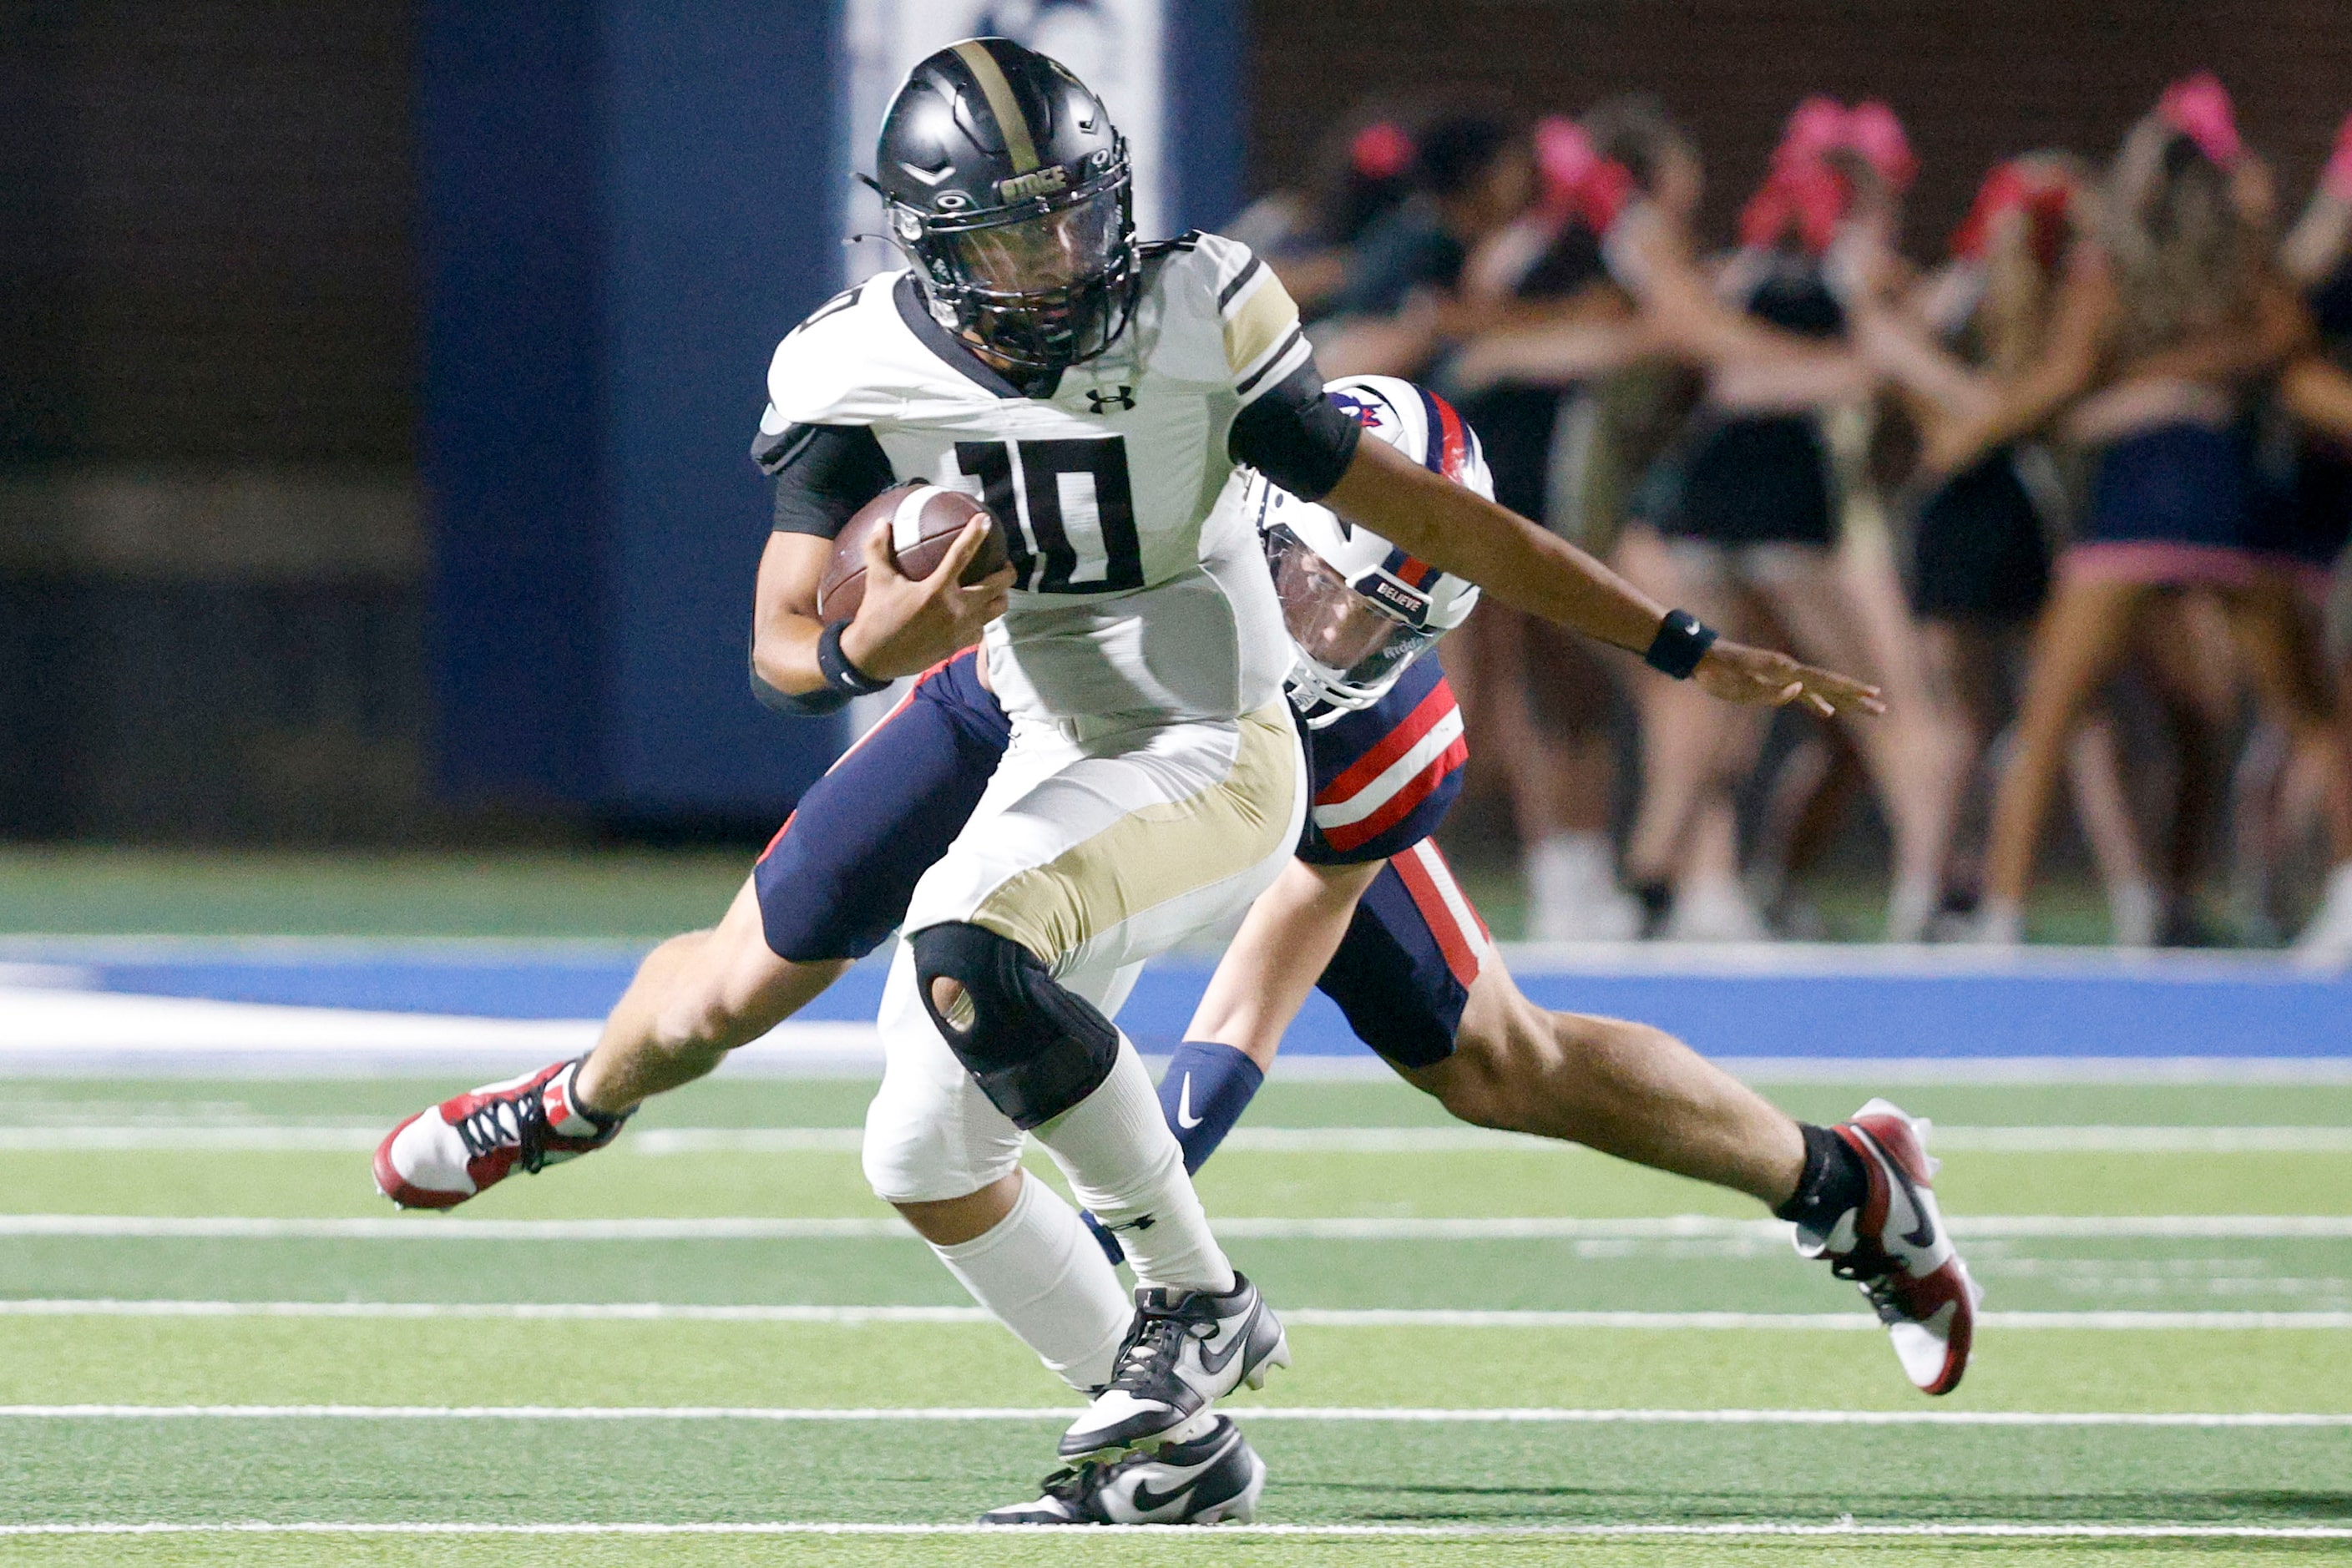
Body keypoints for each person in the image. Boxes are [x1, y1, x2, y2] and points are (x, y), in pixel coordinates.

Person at [386, 33, 1877, 1511]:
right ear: (931, 243)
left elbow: (1434, 515)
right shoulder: (848, 362)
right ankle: (1184, 1454)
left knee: (973, 947)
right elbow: (784, 650)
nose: (1058, 254)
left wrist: (1676, 641)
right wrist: (871, 646)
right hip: (1023, 712)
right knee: (910, 1145)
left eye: (1075, 209)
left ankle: (1194, 1298)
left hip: (1209, 747)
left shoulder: (1201, 309)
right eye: (1013, 228)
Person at [1950, 77, 2344, 944]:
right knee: (2304, 716)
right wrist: (2197, 374)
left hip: (2134, 504)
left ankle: (2004, 917)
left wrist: (1983, 430)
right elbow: (2285, 342)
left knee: (2049, 717)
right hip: (2222, 498)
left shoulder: (2112, 265)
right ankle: (2334, 905)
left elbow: (2066, 376)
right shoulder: (2241, 264)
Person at [1842, 155, 2164, 943]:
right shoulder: (2029, 294)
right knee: (2065, 717)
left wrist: (1962, 422)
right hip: (2002, 509)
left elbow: (1911, 363)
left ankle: (1926, 900)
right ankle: (2129, 900)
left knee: (1981, 719)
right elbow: (1894, 352)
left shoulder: (1985, 293)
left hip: (1966, 507)